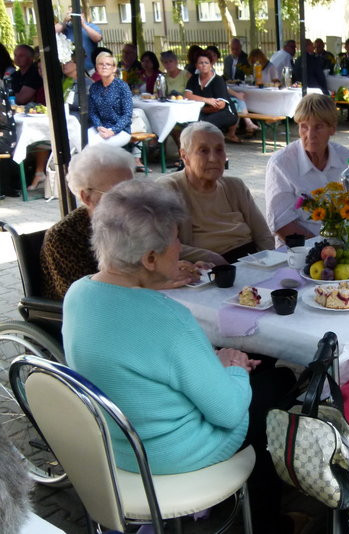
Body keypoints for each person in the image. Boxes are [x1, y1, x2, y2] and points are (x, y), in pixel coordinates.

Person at [62, 179, 295, 531]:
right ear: (150, 259)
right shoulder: (168, 317)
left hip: (113, 446)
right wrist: (233, 369)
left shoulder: (78, 294)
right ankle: (267, 522)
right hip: (170, 456)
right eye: (175, 240)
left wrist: (216, 365)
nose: (181, 247)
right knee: (276, 386)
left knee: (256, 379)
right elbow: (229, 413)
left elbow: (142, 370)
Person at [160, 122, 273, 263]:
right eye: (203, 151)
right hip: (205, 270)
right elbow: (161, 244)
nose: (214, 159)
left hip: (252, 261)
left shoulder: (235, 186)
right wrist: (210, 257)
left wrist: (272, 266)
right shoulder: (168, 189)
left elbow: (264, 236)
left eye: (219, 150)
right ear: (185, 156)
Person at [41, 146, 135, 300]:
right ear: (86, 197)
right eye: (118, 192)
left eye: (132, 188)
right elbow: (85, 297)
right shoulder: (62, 237)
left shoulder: (133, 220)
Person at [264, 93, 349, 241]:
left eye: (318, 127)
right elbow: (282, 223)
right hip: (298, 250)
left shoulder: (347, 159)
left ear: (332, 128)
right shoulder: (281, 164)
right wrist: (323, 247)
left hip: (343, 245)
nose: (310, 134)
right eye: (304, 127)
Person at [184, 50, 238, 139]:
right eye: (201, 63)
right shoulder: (193, 79)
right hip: (203, 111)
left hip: (225, 112)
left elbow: (220, 105)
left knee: (203, 123)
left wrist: (203, 109)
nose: (204, 65)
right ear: (196, 66)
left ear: (210, 65)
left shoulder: (218, 80)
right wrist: (207, 100)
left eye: (206, 62)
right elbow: (187, 95)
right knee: (188, 121)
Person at [88, 51, 132, 147]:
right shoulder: (94, 87)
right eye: (101, 64)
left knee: (95, 143)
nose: (104, 66)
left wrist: (113, 131)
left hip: (120, 130)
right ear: (96, 67)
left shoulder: (122, 86)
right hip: (101, 128)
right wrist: (99, 127)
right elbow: (93, 112)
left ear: (114, 68)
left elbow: (127, 114)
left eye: (108, 64)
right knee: (83, 139)